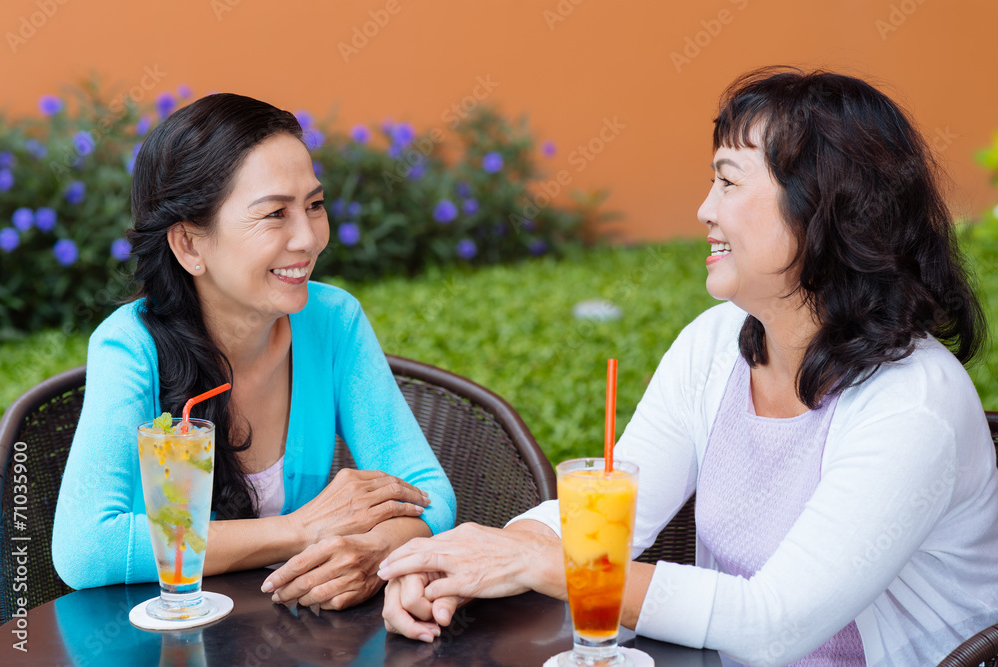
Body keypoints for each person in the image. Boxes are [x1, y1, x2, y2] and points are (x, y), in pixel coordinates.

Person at [376, 67, 998, 665]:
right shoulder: (717, 341)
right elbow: (611, 513)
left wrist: (542, 566)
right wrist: (462, 564)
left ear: (825, 208)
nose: (704, 209)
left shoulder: (912, 404)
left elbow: (774, 623)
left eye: (729, 182)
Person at [52, 93, 456, 611]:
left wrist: (374, 548)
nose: (308, 239)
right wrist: (299, 530)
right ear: (190, 246)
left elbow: (429, 492)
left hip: (292, 637)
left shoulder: (333, 322)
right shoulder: (130, 347)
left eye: (314, 205)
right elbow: (86, 548)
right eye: (274, 215)